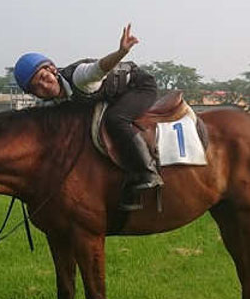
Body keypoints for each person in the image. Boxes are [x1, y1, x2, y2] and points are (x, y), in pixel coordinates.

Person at [13, 24, 163, 211]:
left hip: (139, 87)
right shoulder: (49, 102)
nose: (44, 86)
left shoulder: (79, 78)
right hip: (114, 95)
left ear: (52, 69)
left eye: (44, 77)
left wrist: (121, 52)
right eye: (36, 87)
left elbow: (100, 67)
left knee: (116, 119)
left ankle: (148, 171)